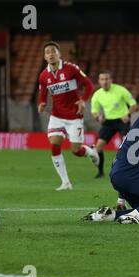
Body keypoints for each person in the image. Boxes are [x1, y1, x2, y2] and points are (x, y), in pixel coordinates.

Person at [38, 41, 99, 191]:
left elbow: (89, 85)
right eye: (47, 52)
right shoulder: (44, 75)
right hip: (57, 116)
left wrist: (83, 100)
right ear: (45, 57)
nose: (51, 54)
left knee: (76, 151)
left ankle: (92, 152)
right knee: (55, 143)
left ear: (59, 54)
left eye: (53, 51)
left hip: (74, 116)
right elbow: (43, 93)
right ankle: (65, 182)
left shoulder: (71, 69)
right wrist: (42, 103)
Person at [90, 71, 139, 178]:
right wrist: (99, 117)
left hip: (123, 120)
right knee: (98, 147)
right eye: (102, 79)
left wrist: (128, 114)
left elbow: (133, 104)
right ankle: (100, 172)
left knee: (128, 146)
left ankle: (130, 171)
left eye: (107, 79)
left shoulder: (120, 90)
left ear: (111, 80)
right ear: (99, 81)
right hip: (108, 122)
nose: (105, 82)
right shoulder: (97, 95)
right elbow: (94, 111)